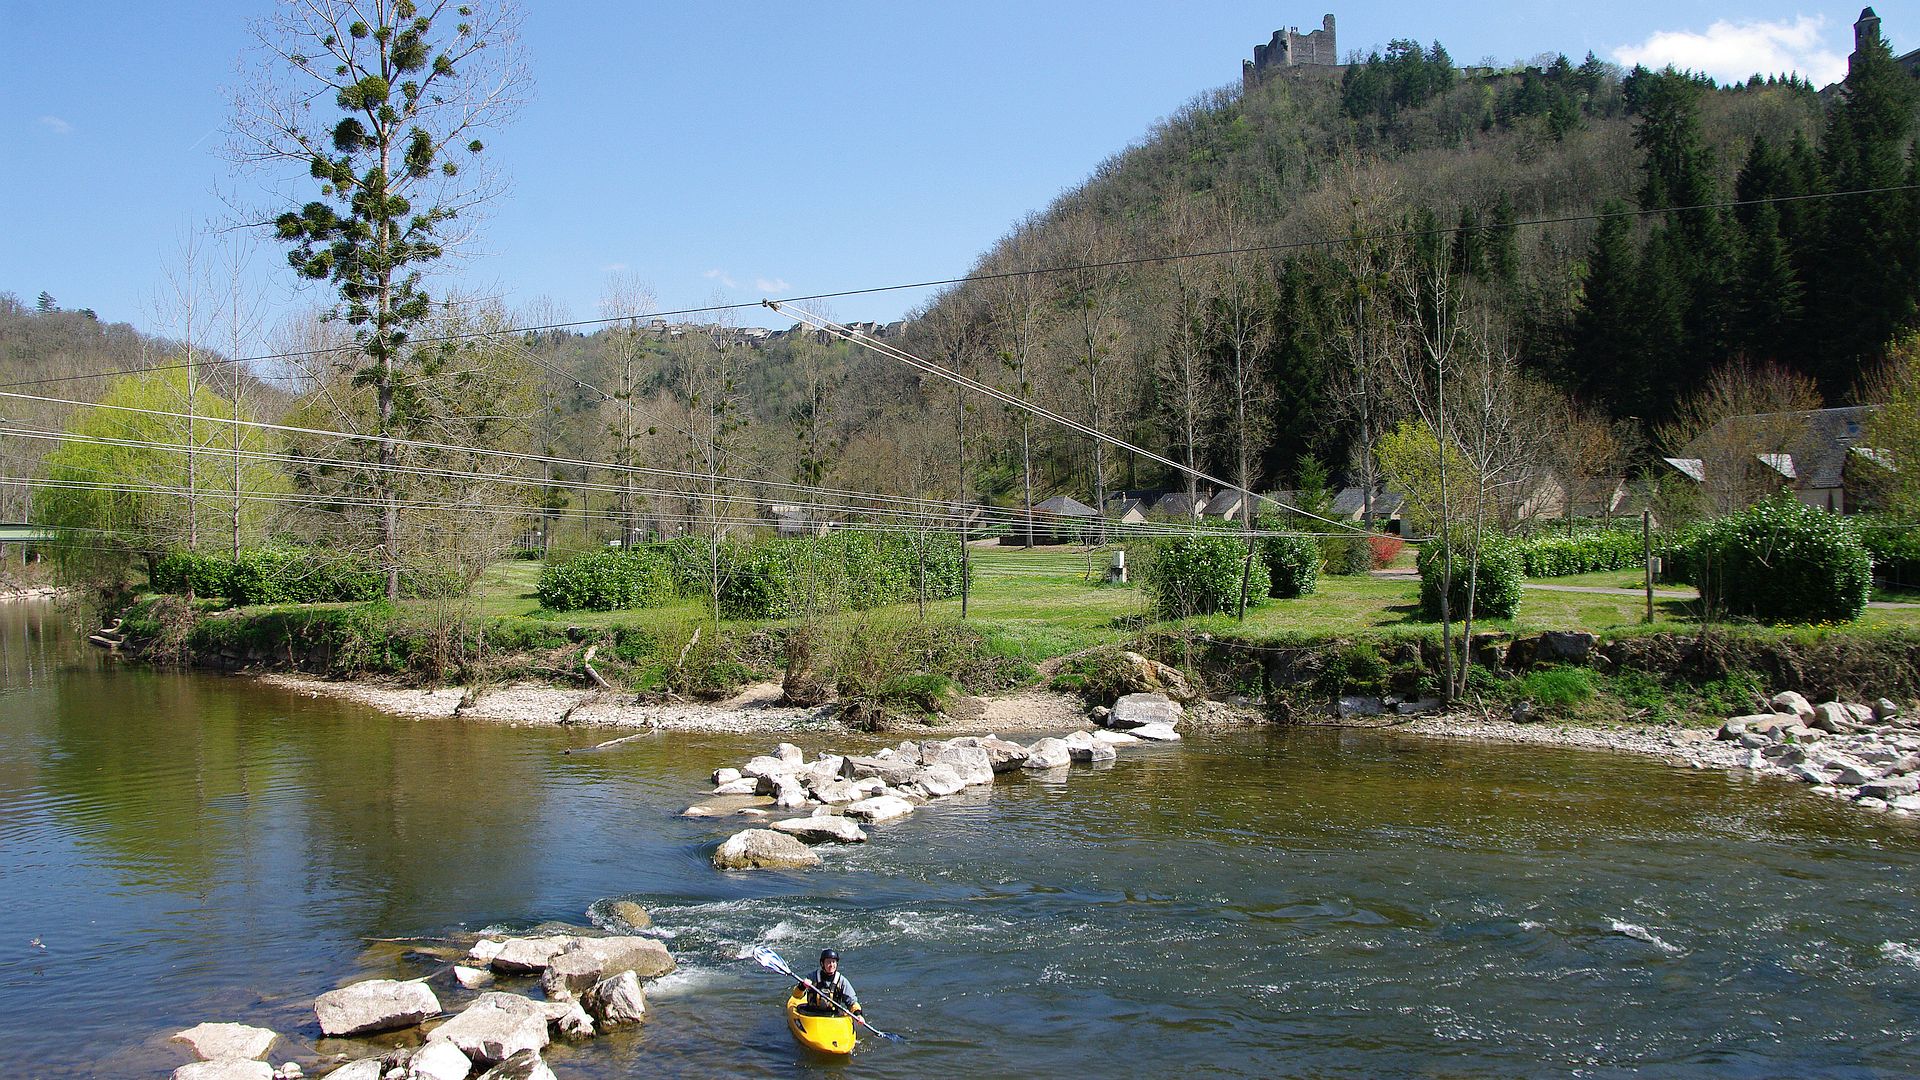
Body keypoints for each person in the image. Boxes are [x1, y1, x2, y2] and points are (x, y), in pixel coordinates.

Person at [805, 948, 861, 1019]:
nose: (831, 965)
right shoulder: (812, 977)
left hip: (833, 1017)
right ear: (822, 964)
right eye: (828, 962)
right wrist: (802, 986)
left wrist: (858, 1014)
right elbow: (797, 995)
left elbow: (852, 1002)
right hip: (812, 1015)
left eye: (834, 962)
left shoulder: (841, 981)